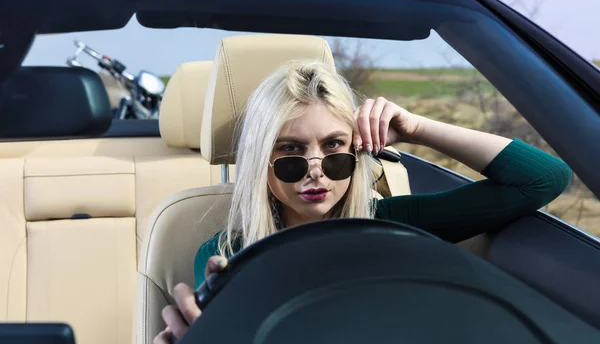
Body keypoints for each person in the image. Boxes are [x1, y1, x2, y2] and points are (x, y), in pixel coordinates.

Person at [153, 60, 572, 343]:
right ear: (260, 162)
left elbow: (542, 179)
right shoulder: (226, 254)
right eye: (290, 151)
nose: (315, 168)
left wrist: (417, 128)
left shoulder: (395, 223)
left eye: (334, 146)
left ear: (357, 150)